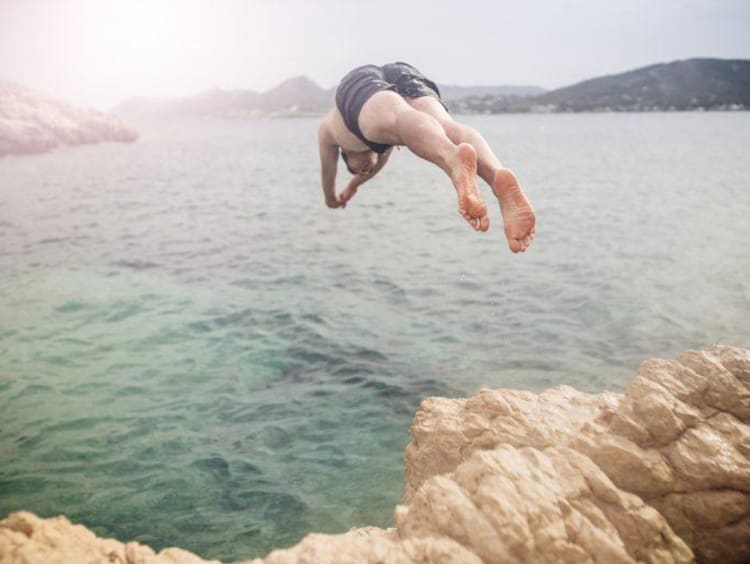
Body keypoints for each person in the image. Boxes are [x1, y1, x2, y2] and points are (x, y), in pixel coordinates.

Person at [317, 62, 536, 253]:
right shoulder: (385, 147)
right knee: (446, 127)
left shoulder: (330, 133)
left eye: (356, 169)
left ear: (345, 154)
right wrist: (355, 184)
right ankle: (497, 176)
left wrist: (331, 199)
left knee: (401, 119)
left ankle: (452, 160)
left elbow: (328, 171)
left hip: (359, 82)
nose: (364, 171)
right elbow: (376, 167)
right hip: (404, 72)